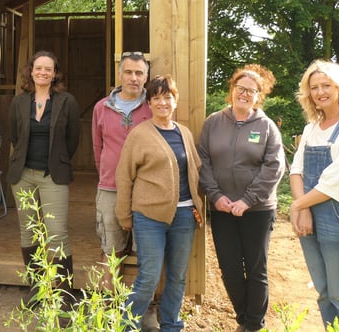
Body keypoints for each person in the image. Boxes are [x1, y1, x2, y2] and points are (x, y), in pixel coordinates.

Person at [198, 64, 286, 332]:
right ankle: (244, 319)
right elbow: (203, 160)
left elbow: (274, 167)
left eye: (251, 90)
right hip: (223, 209)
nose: (244, 94)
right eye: (240, 88)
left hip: (257, 210)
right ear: (232, 90)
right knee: (230, 270)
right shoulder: (214, 122)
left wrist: (247, 200)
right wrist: (215, 196)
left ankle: (253, 325)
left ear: (259, 96)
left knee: (256, 269)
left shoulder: (267, 127)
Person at [115, 74, 204, 331]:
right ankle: (127, 326)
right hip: (149, 218)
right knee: (149, 277)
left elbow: (195, 169)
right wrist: (124, 215)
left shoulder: (184, 133)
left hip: (185, 216)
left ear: (175, 101)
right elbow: (124, 176)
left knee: (176, 277)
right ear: (149, 103)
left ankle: (171, 325)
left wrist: (201, 204)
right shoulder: (139, 135)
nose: (163, 103)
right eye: (157, 98)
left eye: (168, 97)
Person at [289, 60, 339, 331]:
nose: (320, 92)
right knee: (324, 293)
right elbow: (296, 171)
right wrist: (303, 210)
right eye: (314, 87)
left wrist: (298, 206)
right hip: (310, 211)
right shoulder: (311, 128)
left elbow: (335, 183)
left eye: (326, 85)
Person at [7, 51, 80, 303]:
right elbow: (15, 136)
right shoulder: (19, 102)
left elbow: (72, 140)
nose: (43, 72)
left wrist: (57, 159)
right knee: (28, 231)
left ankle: (64, 292)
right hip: (23, 175)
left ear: (55, 73)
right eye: (39, 68)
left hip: (53, 176)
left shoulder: (67, 101)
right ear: (31, 71)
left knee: (56, 233)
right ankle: (36, 288)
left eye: (48, 69)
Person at [91, 51, 151, 292]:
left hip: (145, 189)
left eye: (139, 73)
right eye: (128, 72)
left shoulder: (152, 106)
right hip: (110, 187)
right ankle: (108, 300)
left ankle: (142, 305)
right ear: (119, 75)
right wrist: (108, 172)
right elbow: (98, 147)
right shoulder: (101, 108)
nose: (133, 78)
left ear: (146, 77)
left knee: (145, 248)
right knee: (111, 246)